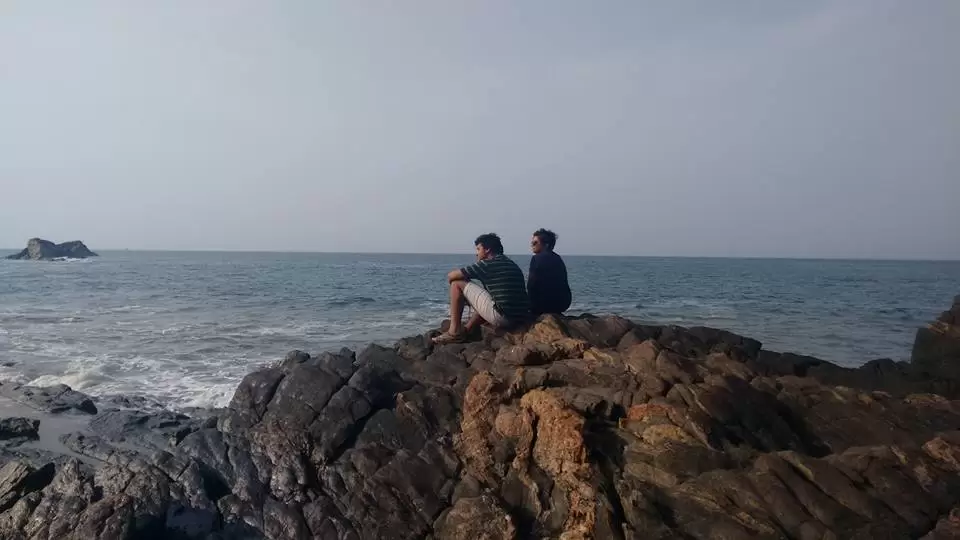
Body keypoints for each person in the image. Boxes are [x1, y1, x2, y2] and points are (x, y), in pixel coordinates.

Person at [432, 233, 529, 344]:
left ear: (487, 249)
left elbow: (452, 276)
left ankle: (454, 333)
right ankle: (467, 330)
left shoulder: (486, 264)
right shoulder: (510, 263)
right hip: (520, 317)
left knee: (456, 284)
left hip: (504, 318)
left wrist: (459, 291)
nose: (476, 254)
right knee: (487, 297)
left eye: (478, 249)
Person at [528, 228, 572, 316]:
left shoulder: (536, 259)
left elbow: (531, 285)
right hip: (563, 304)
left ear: (546, 245)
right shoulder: (558, 258)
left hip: (544, 306)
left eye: (535, 243)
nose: (531, 245)